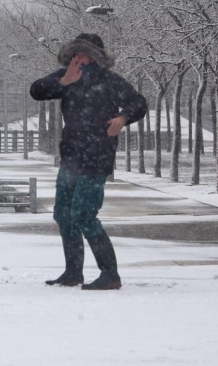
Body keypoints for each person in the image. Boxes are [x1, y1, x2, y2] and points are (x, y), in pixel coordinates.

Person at [30, 33, 147, 290]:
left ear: (95, 56)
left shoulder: (110, 81)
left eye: (82, 54)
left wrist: (123, 118)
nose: (77, 59)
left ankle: (110, 274)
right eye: (74, 54)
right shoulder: (66, 76)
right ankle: (73, 272)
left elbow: (138, 103)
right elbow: (36, 91)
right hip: (71, 155)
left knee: (84, 214)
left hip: (97, 155)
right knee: (63, 214)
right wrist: (63, 81)